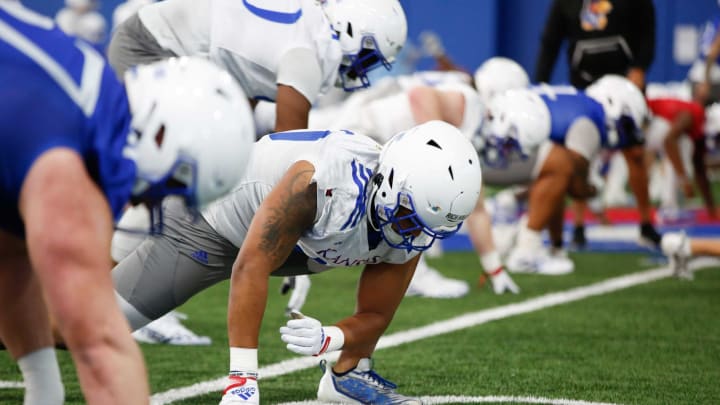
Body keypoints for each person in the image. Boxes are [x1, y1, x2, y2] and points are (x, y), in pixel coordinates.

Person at [109, 121, 482, 404]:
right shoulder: (319, 182)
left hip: (302, 240)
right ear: (387, 184)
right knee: (90, 328)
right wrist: (243, 379)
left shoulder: (414, 221)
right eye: (407, 217)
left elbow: (376, 316)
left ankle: (348, 374)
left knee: (389, 245)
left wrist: (330, 337)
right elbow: (251, 265)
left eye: (426, 227)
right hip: (210, 224)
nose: (415, 235)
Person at [0, 2, 256, 403]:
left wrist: (44, 386)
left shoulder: (85, 92)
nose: (158, 200)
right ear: (158, 137)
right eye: (172, 185)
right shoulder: (62, 164)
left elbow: (10, 258)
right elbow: (102, 347)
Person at [107, 0, 407, 133]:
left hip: (157, 46)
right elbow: (287, 148)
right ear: (353, 30)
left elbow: (240, 91)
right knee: (164, 170)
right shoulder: (310, 52)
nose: (361, 70)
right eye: (368, 58)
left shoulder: (308, 26)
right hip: (148, 49)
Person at [479, 75, 653, 274]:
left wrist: (558, 244)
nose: (626, 134)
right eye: (627, 124)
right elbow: (574, 182)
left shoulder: (573, 101)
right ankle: (526, 252)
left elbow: (558, 184)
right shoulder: (590, 118)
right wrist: (591, 190)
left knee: (556, 168)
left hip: (492, 144)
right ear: (615, 105)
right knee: (561, 164)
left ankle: (534, 237)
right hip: (491, 151)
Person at [534, 0, 655, 90]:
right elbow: (550, 44)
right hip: (582, 86)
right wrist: (541, 84)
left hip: (626, 84)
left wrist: (639, 68)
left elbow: (646, 32)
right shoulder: (565, 3)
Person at [645, 96, 717, 220]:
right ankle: (668, 206)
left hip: (649, 124)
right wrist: (684, 179)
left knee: (683, 145)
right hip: (640, 120)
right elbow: (669, 141)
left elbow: (699, 166)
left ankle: (670, 204)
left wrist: (711, 207)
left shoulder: (699, 128)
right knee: (683, 144)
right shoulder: (695, 113)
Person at [688, 4, 720, 105]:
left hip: (698, 75)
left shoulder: (715, 18)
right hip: (709, 79)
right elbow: (712, 53)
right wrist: (706, 81)